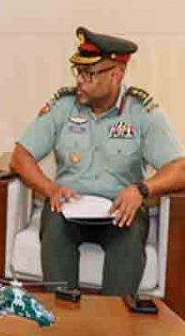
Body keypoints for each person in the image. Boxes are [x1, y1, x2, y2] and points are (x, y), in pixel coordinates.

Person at [10, 26, 185, 296]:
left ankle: (115, 317)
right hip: (67, 207)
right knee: (54, 230)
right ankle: (62, 314)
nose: (80, 80)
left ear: (116, 75)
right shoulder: (63, 106)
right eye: (78, 71)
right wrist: (50, 188)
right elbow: (20, 157)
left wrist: (141, 190)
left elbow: (180, 169)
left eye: (89, 74)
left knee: (128, 241)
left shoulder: (142, 112)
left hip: (120, 211)